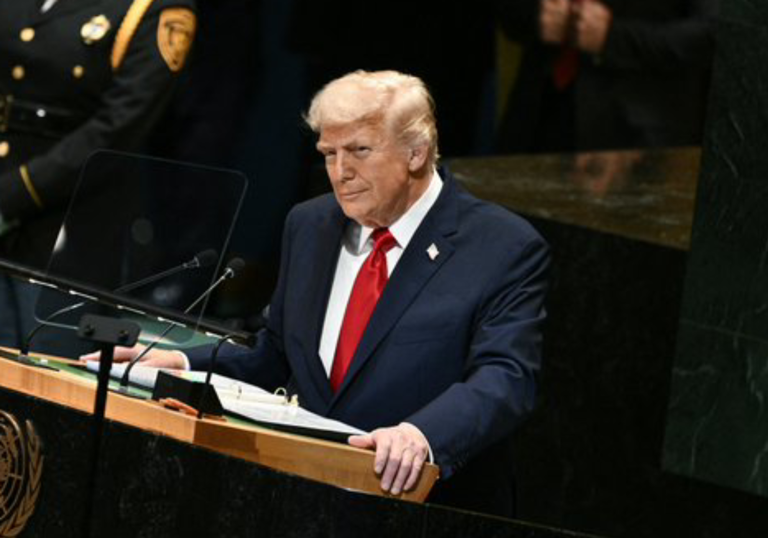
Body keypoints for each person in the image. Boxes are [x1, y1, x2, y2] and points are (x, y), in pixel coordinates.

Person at [92, 70, 550, 517]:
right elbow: (277, 353)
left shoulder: (501, 246)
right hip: (301, 500)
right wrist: (183, 363)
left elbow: (505, 377)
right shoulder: (310, 224)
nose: (340, 172)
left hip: (421, 508)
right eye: (329, 153)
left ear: (416, 151)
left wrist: (422, 435)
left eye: (359, 150)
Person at [0, 0, 197, 347]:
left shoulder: (156, 9)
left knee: (41, 355)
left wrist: (13, 193)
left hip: (69, 214)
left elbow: (119, 127)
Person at [496, 0, 718, 153]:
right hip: (537, 114)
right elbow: (506, 12)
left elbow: (712, 34)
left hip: (636, 134)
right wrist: (537, 14)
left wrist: (611, 37)